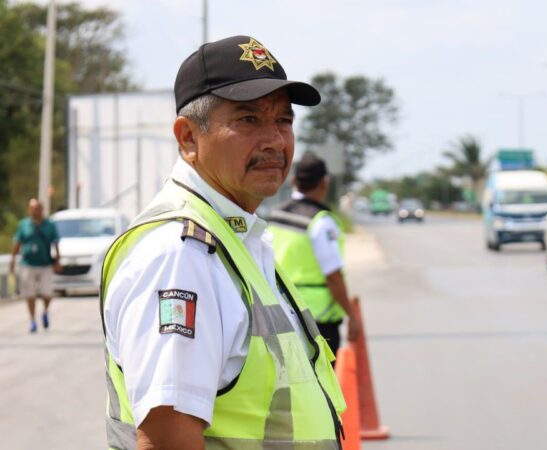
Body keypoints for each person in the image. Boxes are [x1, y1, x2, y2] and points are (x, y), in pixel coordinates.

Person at [101, 35, 345, 450]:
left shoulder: (238, 237)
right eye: (248, 120)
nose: (274, 140)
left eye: (283, 121)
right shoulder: (180, 255)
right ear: (188, 138)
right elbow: (167, 441)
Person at [269, 153, 362, 360]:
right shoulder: (321, 222)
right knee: (322, 388)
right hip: (318, 320)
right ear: (324, 183)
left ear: (294, 181)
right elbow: (333, 275)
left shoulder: (276, 215)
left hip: (282, 313)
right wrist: (351, 315)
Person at [10, 198, 61, 333]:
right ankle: (32, 320)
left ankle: (44, 311)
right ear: (29, 210)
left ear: (41, 210)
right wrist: (12, 260)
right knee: (30, 294)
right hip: (28, 264)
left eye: (37, 209)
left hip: (45, 264)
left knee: (47, 292)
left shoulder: (49, 225)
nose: (34, 211)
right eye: (32, 209)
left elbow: (56, 243)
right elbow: (17, 242)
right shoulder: (23, 225)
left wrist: (58, 260)